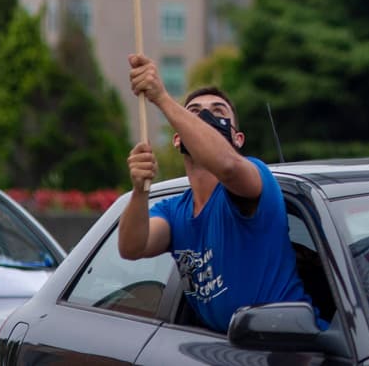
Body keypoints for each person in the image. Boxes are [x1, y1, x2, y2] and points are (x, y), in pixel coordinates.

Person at [117, 53, 314, 334]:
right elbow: (131, 247)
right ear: (177, 138)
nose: (207, 117)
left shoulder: (255, 179)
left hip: (288, 347)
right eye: (194, 113)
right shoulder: (173, 212)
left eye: (219, 112)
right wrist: (139, 190)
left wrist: (162, 98)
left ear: (238, 138)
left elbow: (227, 166)